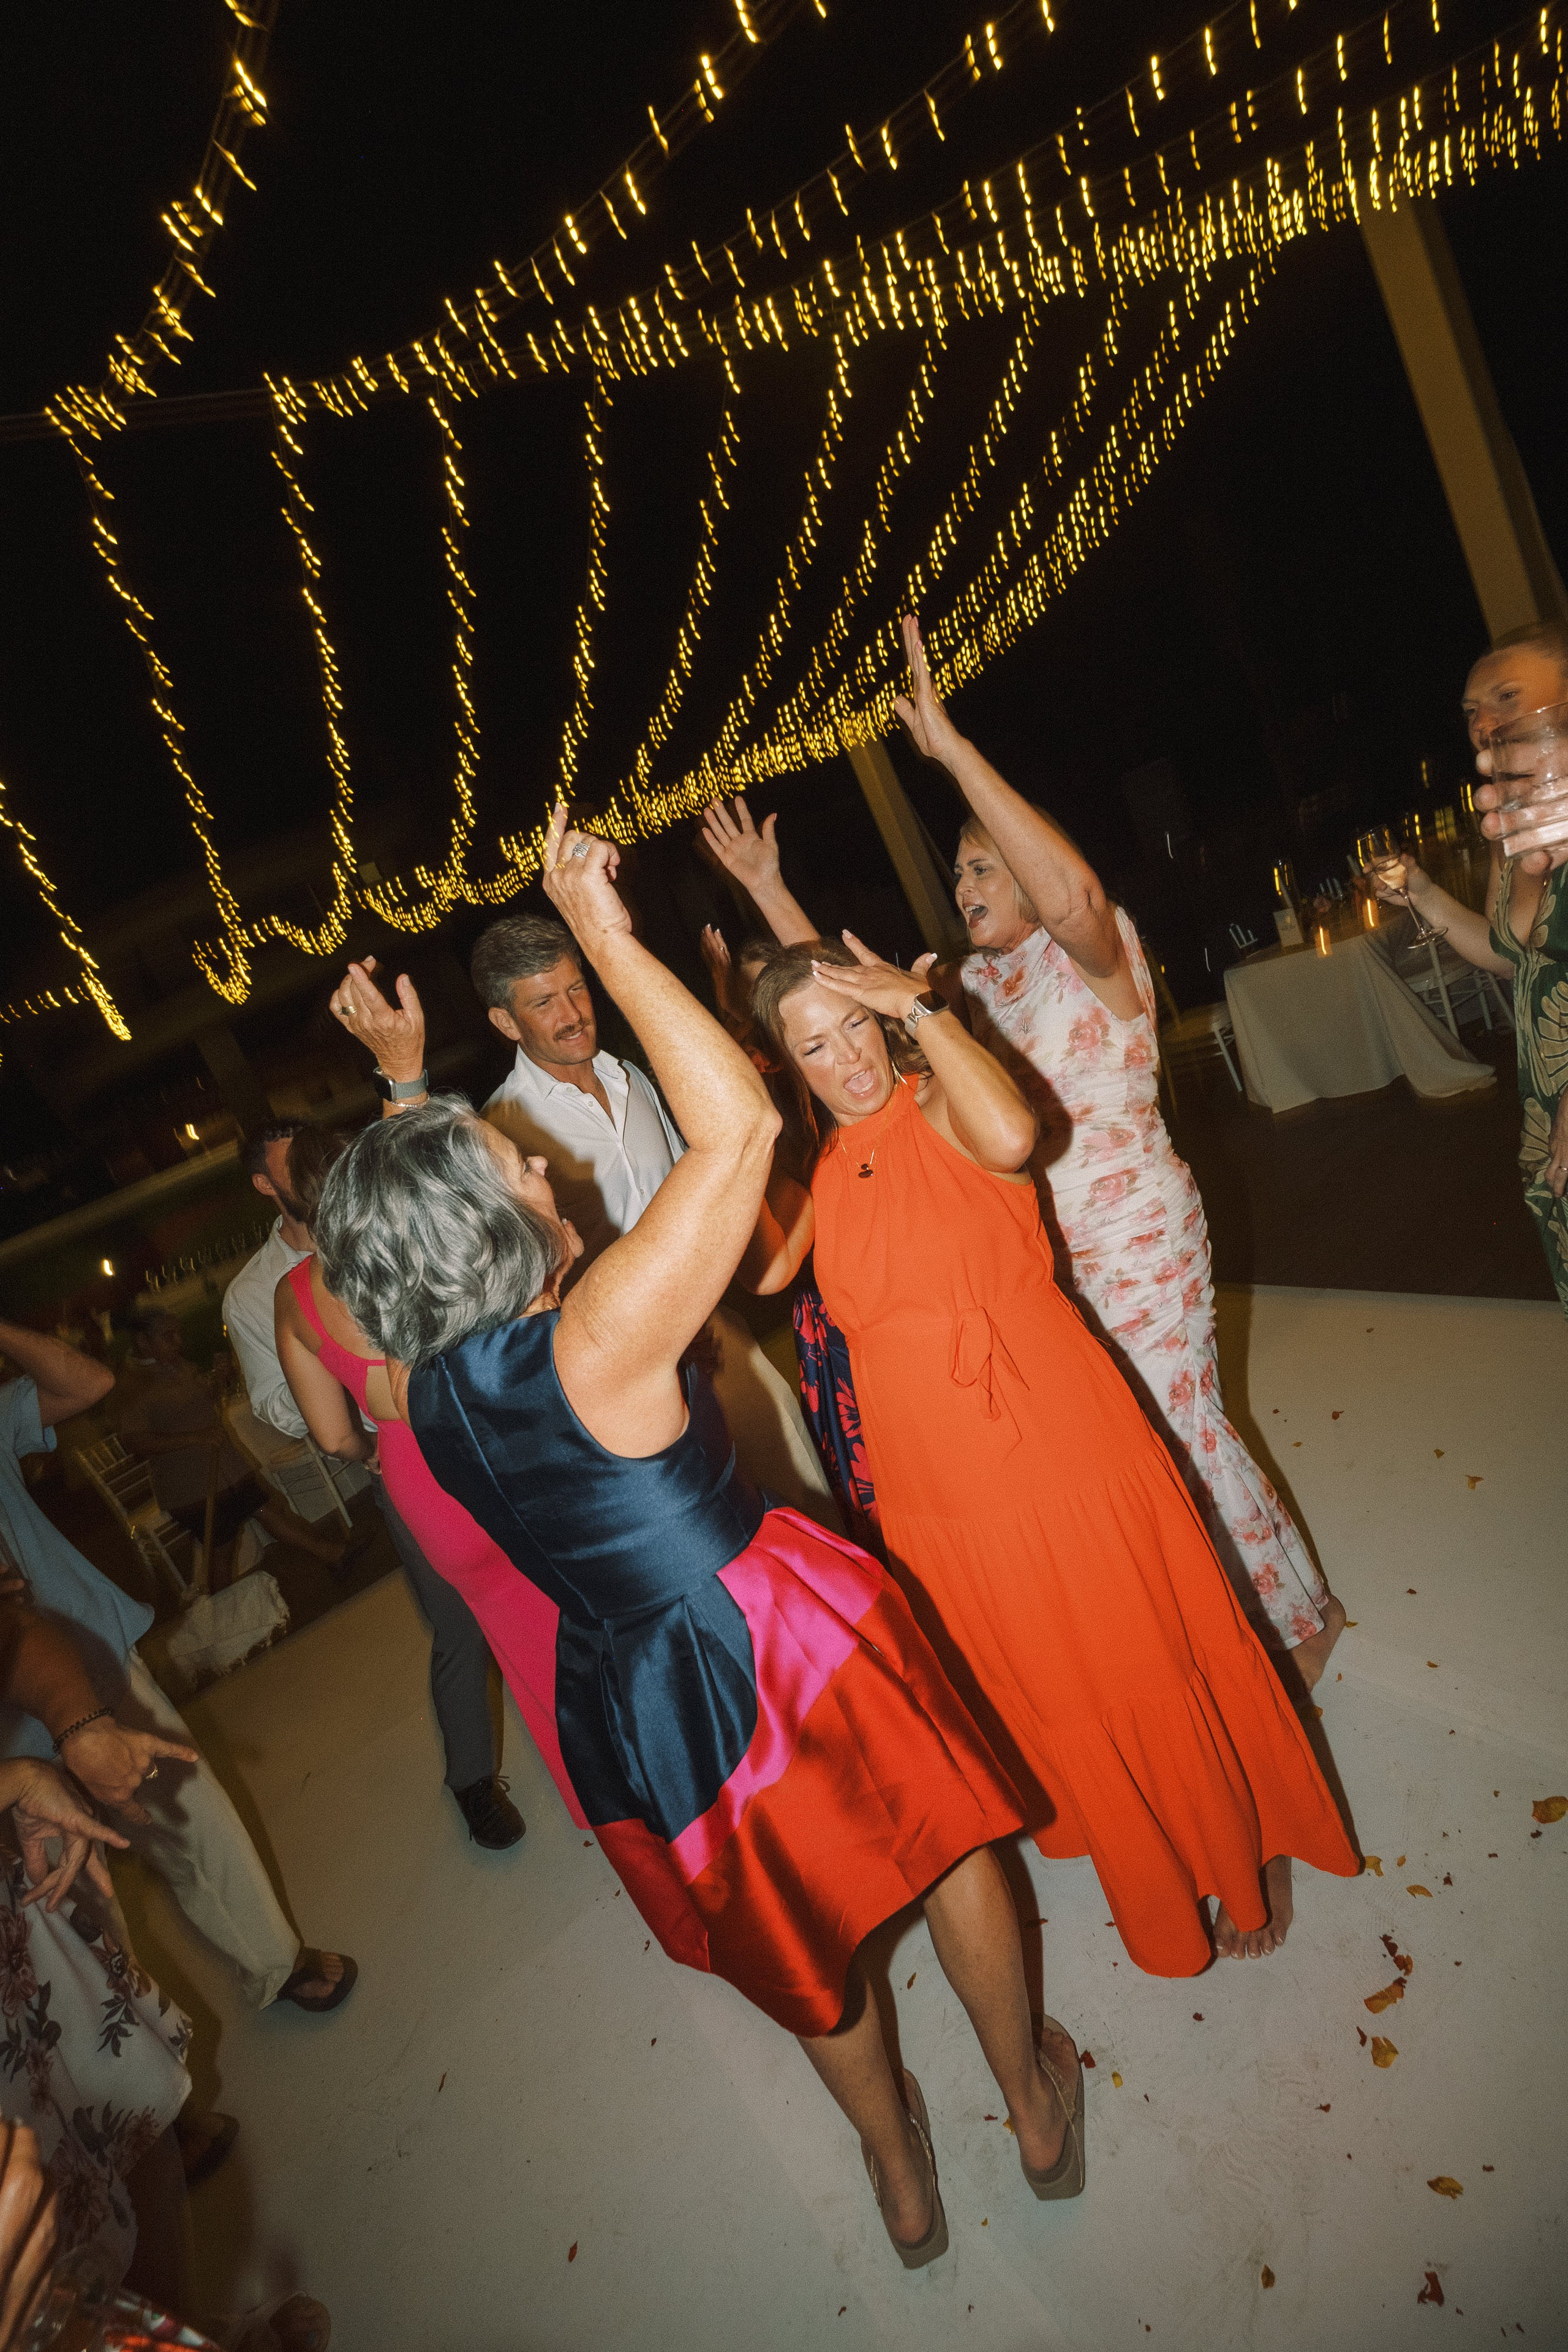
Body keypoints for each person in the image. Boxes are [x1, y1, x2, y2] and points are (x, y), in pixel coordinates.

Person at [314, 810, 1089, 2266]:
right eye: (513, 1170)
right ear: (490, 1219)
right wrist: (604, 932)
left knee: (797, 1947)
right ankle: (1032, 2109)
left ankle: (898, 2180)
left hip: (636, 1697)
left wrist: (400, 1083)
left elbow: (394, 1241)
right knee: (939, 1850)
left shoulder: (419, 1393)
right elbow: (735, 1128)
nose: (541, 1176)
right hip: (768, 1640)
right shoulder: (594, 1336)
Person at [701, 620, 1348, 1690]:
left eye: (982, 865)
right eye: (956, 872)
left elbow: (1076, 896)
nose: (962, 886)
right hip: (1040, 1260)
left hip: (1137, 1234)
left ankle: (1296, 1621)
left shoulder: (1095, 956)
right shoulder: (978, 987)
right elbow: (854, 1011)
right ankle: (1217, 1617)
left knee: (1177, 1426)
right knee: (1133, 1445)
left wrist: (951, 753)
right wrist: (772, 891)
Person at [743, 927, 1360, 1967]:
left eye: (856, 1025)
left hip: (1054, 1445)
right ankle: (1145, 1849)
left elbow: (1016, 1136)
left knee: (1145, 1652)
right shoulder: (822, 1173)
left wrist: (920, 1014)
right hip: (938, 1491)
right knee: (1053, 1677)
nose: (846, 1058)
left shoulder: (941, 1100)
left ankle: (1250, 1852)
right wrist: (738, 1124)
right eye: (814, 1045)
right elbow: (760, 1272)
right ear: (787, 1064)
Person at [325, 925, 839, 1529]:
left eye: (576, 989)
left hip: (720, 1339)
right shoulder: (502, 1131)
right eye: (543, 1002)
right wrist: (403, 1077)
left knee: (809, 1505)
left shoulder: (634, 1079)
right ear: (506, 1022)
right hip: (615, 1379)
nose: (571, 1015)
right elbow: (432, 1234)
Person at [0, 1314, 356, 2023]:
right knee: (64, 1898)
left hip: (82, 1646)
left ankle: (274, 1964)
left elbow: (85, 1383)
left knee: (189, 1812)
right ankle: (148, 2101)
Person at [225, 1125, 521, 1846]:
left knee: (527, 1593)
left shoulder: (379, 1224)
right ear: (267, 1184)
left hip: (456, 1434)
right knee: (460, 1627)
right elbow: (277, 1405)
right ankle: (473, 1781)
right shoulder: (258, 1291)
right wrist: (367, 1430)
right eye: (289, 1162)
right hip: (405, 1455)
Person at [1374, 623, 1568, 1311]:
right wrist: (1421, 892)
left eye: (1506, 696)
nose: (1484, 721)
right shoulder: (1513, 823)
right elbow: (1506, 954)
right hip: (1547, 1099)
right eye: (1470, 711)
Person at [112, 1309, 347, 1587]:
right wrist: (195, 1438)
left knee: (272, 1513)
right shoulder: (129, 1388)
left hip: (227, 1468)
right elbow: (136, 1444)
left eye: (178, 1334)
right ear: (143, 1342)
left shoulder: (178, 1366)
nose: (178, 1342)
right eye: (168, 1337)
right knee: (222, 1550)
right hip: (191, 1487)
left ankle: (336, 1556)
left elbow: (201, 1403)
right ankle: (224, 1614)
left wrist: (220, 1381)